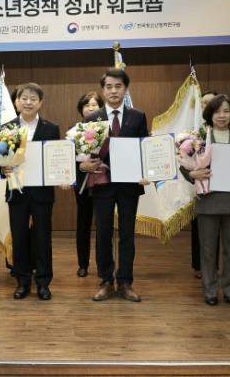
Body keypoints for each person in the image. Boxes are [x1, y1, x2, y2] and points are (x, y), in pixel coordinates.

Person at [81, 68, 149, 302]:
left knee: (127, 234)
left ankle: (126, 282)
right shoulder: (91, 119)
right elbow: (83, 153)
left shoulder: (138, 116)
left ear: (125, 89)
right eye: (108, 87)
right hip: (103, 184)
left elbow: (144, 148)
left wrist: (147, 171)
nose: (113, 91)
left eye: (118, 86)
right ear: (103, 90)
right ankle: (106, 281)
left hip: (129, 185)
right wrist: (84, 165)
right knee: (103, 233)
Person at [181, 94, 230, 306]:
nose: (222, 115)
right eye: (217, 111)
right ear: (210, 114)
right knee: (208, 250)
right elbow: (184, 165)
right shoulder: (198, 138)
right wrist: (192, 174)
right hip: (208, 201)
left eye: (226, 111)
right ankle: (210, 290)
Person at [0, 82, 60, 301]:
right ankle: (22, 281)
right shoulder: (7, 127)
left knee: (43, 237)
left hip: (42, 193)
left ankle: (43, 282)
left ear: (40, 103)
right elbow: (0, 156)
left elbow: (56, 157)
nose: (28, 102)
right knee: (19, 237)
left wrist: (61, 176)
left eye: (33, 99)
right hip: (17, 191)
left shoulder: (51, 128)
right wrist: (3, 167)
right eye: (24, 98)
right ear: (17, 102)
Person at [190, 90, 220, 279]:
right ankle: (199, 266)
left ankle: (213, 267)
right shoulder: (195, 132)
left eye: (210, 102)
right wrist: (192, 173)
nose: (206, 106)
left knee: (216, 230)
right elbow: (185, 161)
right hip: (199, 185)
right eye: (203, 103)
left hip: (220, 186)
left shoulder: (224, 131)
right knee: (198, 227)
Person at [73, 91, 102, 278]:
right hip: (82, 183)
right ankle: (83, 264)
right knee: (83, 224)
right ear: (81, 109)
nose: (90, 108)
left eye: (94, 104)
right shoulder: (74, 131)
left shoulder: (107, 129)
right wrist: (82, 166)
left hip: (102, 182)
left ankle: (102, 264)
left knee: (102, 225)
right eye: (87, 105)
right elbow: (68, 159)